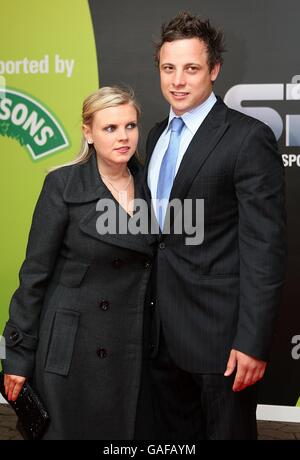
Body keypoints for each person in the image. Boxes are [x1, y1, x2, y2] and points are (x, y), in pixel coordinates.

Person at [142, 11, 286, 440]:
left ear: (215, 70)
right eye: (169, 68)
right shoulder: (155, 135)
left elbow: (265, 249)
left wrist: (252, 342)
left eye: (191, 68)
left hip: (222, 342)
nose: (178, 80)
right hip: (160, 336)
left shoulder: (247, 138)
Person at [1, 86, 155, 440]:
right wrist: (18, 357)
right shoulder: (63, 185)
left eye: (130, 126)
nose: (123, 137)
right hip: (70, 355)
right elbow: (34, 276)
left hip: (131, 349)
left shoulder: (153, 187)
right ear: (88, 133)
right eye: (110, 128)